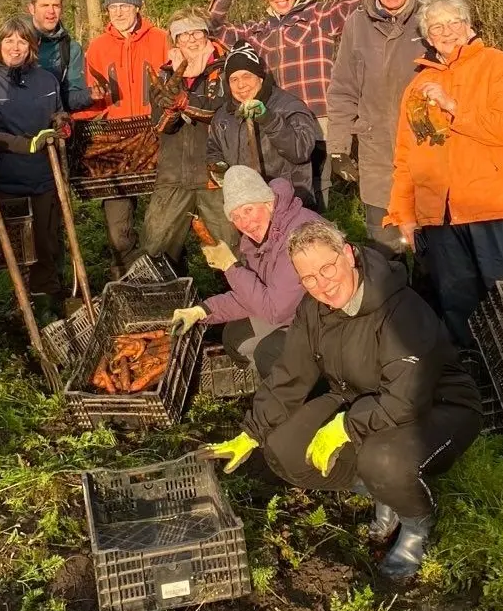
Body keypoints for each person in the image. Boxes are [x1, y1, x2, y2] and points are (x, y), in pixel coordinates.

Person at [204, 221, 482, 579]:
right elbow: (291, 374)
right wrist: (253, 431)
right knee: (283, 448)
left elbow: (404, 399)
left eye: (327, 268)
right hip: (362, 397)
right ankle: (384, 494)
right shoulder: (313, 309)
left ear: (348, 254)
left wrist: (346, 425)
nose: (322, 284)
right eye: (309, 278)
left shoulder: (400, 310)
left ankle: (416, 524)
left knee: (380, 459)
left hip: (437, 403)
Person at [384, 0, 503, 349]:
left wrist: (454, 107)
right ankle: (476, 390)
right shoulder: (417, 87)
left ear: (469, 25)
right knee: (458, 312)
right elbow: (406, 155)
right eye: (436, 28)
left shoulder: (502, 67)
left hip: (495, 209)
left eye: (453, 22)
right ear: (427, 37)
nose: (447, 32)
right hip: (440, 218)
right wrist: (403, 213)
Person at [209, 0, 362, 209]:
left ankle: (319, 238)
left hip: (319, 119)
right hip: (281, 124)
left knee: (316, 193)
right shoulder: (260, 31)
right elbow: (214, 28)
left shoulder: (318, 17)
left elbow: (356, 2)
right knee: (287, 193)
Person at [169, 167, 323, 379]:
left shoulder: (298, 234)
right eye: (236, 216)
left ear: (268, 203)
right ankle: (280, 381)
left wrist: (231, 268)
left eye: (248, 210)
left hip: (326, 321)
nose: (244, 223)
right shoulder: (257, 241)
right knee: (234, 337)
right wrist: (203, 310)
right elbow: (252, 295)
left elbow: (275, 311)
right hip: (296, 312)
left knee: (268, 353)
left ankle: (315, 386)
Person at [326, 0, 428, 257]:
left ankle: (428, 304)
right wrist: (339, 149)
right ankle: (390, 303)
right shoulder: (357, 24)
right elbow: (343, 89)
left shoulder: (434, 16)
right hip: (377, 155)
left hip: (427, 151)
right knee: (384, 254)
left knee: (432, 255)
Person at [0, 16, 68, 323]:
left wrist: (61, 122)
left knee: (45, 243)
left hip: (42, 176)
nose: (15, 48)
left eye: (22, 42)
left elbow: (58, 113)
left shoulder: (46, 80)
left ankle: (45, 307)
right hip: (1, 181)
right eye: (8, 41)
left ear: (32, 47)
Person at [81, 0, 170, 273]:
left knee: (164, 225)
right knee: (119, 233)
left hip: (156, 137)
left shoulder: (160, 39)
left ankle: (167, 275)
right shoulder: (96, 48)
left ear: (137, 7)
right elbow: (90, 99)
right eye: (113, 6)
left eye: (124, 5)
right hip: (115, 143)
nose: (118, 12)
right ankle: (128, 280)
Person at [139, 8, 237, 265]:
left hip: (215, 174)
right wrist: (169, 111)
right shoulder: (164, 74)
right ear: (175, 41)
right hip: (173, 174)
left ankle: (239, 296)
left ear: (207, 34)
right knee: (155, 245)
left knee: (231, 245)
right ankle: (164, 298)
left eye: (197, 32)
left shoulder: (225, 68)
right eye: (183, 35)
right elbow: (160, 125)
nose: (191, 40)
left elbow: (223, 112)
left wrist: (186, 103)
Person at [207, 42, 320, 208]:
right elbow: (213, 148)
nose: (241, 85)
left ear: (260, 77)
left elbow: (301, 151)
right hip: (246, 203)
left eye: (247, 76)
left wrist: (269, 119)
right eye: (234, 79)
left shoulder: (288, 106)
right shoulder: (223, 116)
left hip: (289, 202)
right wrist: (218, 166)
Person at [28, 0, 92, 112]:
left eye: (56, 6)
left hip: (53, 126)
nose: (51, 11)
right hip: (13, 127)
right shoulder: (13, 42)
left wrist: (90, 95)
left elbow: (71, 98)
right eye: (45, 5)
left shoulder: (71, 49)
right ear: (31, 8)